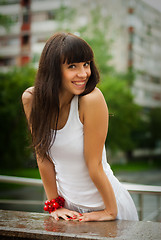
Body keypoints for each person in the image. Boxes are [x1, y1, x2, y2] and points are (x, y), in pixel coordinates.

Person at [22, 32, 138, 222]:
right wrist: (55, 205)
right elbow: (42, 156)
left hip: (106, 205)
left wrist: (110, 211)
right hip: (69, 208)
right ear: (52, 70)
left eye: (86, 64)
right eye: (72, 66)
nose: (83, 73)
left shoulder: (91, 100)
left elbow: (95, 165)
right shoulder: (31, 100)